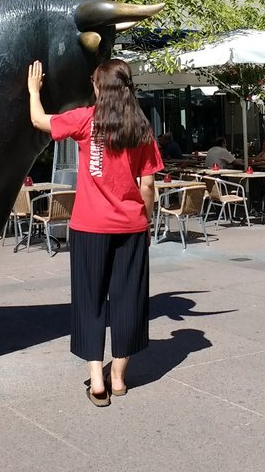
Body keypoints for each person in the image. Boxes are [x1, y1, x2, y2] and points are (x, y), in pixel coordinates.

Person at [27, 58, 163, 407]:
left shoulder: (87, 119)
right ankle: (119, 378)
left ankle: (98, 380)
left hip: (89, 226)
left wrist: (33, 90)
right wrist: (144, 219)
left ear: (99, 86)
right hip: (131, 226)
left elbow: (39, 121)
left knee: (90, 300)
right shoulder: (141, 128)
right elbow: (148, 186)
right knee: (128, 300)